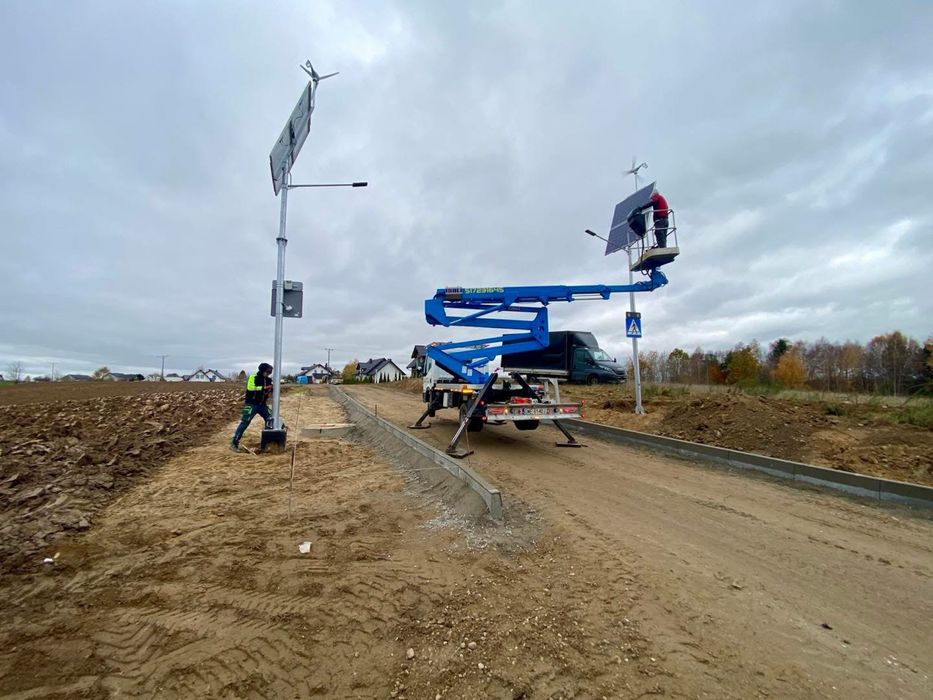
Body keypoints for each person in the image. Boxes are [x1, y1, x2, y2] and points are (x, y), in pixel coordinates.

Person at [230, 362, 274, 451]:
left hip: (262, 405)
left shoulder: (268, 380)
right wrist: (264, 388)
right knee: (245, 422)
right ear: (262, 371)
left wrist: (272, 389)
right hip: (251, 404)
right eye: (267, 372)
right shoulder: (253, 377)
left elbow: (270, 389)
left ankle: (268, 443)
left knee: (271, 420)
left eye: (269, 373)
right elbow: (251, 387)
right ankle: (234, 443)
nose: (268, 374)